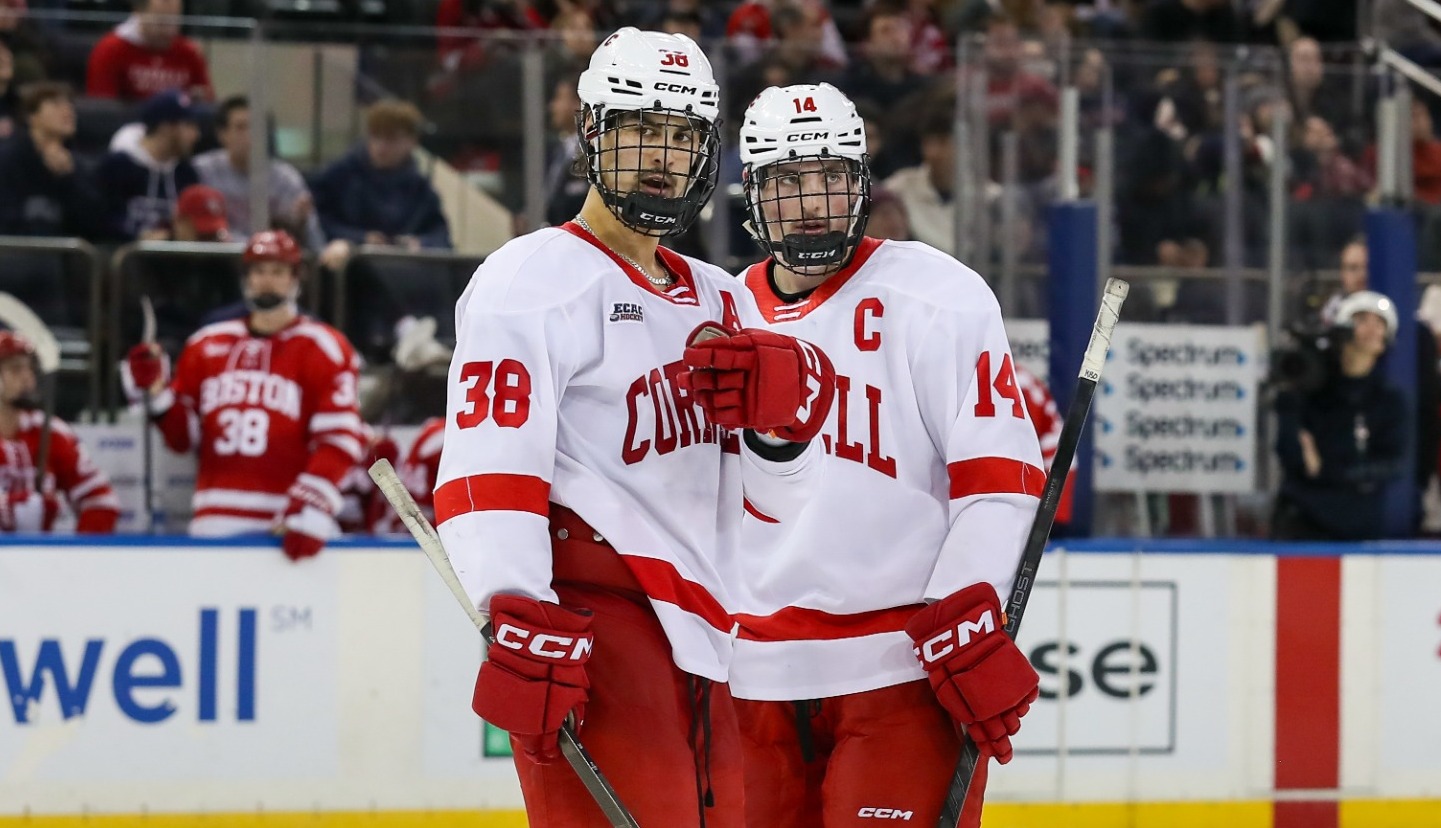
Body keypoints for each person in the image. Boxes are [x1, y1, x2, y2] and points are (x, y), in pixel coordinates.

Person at [436, 28, 836, 827]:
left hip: (711, 634)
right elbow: (488, 465)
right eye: (642, 128)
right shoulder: (533, 276)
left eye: (684, 135)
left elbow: (770, 502)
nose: (664, 152)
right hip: (595, 622)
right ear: (592, 133)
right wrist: (515, 609)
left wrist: (782, 439)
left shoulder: (726, 298)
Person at [727, 82, 1041, 826]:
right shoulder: (717, 314)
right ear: (753, 191)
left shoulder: (937, 294)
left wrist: (964, 608)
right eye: (788, 180)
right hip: (744, 676)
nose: (812, 200)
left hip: (901, 668)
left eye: (831, 176)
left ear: (861, 183)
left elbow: (999, 480)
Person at [121, 230, 364, 559]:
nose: (267, 281)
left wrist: (311, 506)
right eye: (259, 271)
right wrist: (156, 394)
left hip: (286, 521)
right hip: (214, 522)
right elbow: (183, 439)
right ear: (246, 278)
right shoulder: (205, 344)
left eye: (278, 272)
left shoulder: (323, 347)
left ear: (295, 279)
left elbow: (341, 440)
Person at [1273, 291, 1408, 540]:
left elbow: (1393, 463)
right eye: (1362, 319)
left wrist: (1328, 470)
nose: (1371, 328)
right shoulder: (1312, 389)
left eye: (1379, 323)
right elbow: (1290, 452)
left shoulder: (1387, 399)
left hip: (1356, 523)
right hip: (1302, 518)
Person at [0, 330, 119, 533]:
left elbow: (101, 501)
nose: (28, 377)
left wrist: (76, 556)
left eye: (30, 368)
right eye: (16, 369)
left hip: (37, 562)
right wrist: (8, 509)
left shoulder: (51, 432)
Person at [311, 99, 451, 271]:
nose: (381, 147)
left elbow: (440, 234)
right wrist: (359, 239)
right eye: (376, 136)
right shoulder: (338, 176)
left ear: (412, 141)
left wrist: (420, 244)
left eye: (392, 139)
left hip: (401, 277)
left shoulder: (420, 189)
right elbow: (318, 222)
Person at [193, 96, 326, 249]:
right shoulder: (201, 171)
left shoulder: (285, 178)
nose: (250, 136)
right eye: (241, 127)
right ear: (222, 134)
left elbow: (315, 240)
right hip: (219, 262)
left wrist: (300, 223)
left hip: (271, 262)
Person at [0, 82, 108, 238]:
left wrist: (68, 179)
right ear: (31, 116)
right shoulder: (8, 158)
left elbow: (94, 224)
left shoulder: (78, 165)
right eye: (56, 104)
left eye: (70, 105)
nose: (68, 111)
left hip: (66, 254)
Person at [95, 88, 201, 241]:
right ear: (166, 127)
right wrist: (138, 238)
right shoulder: (116, 167)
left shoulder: (186, 174)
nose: (196, 135)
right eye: (189, 126)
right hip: (125, 258)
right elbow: (99, 221)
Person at [85, 0, 212, 102]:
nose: (169, 29)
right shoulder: (109, 50)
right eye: (161, 21)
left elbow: (208, 105)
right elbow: (102, 110)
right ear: (138, 12)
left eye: (174, 19)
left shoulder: (188, 52)